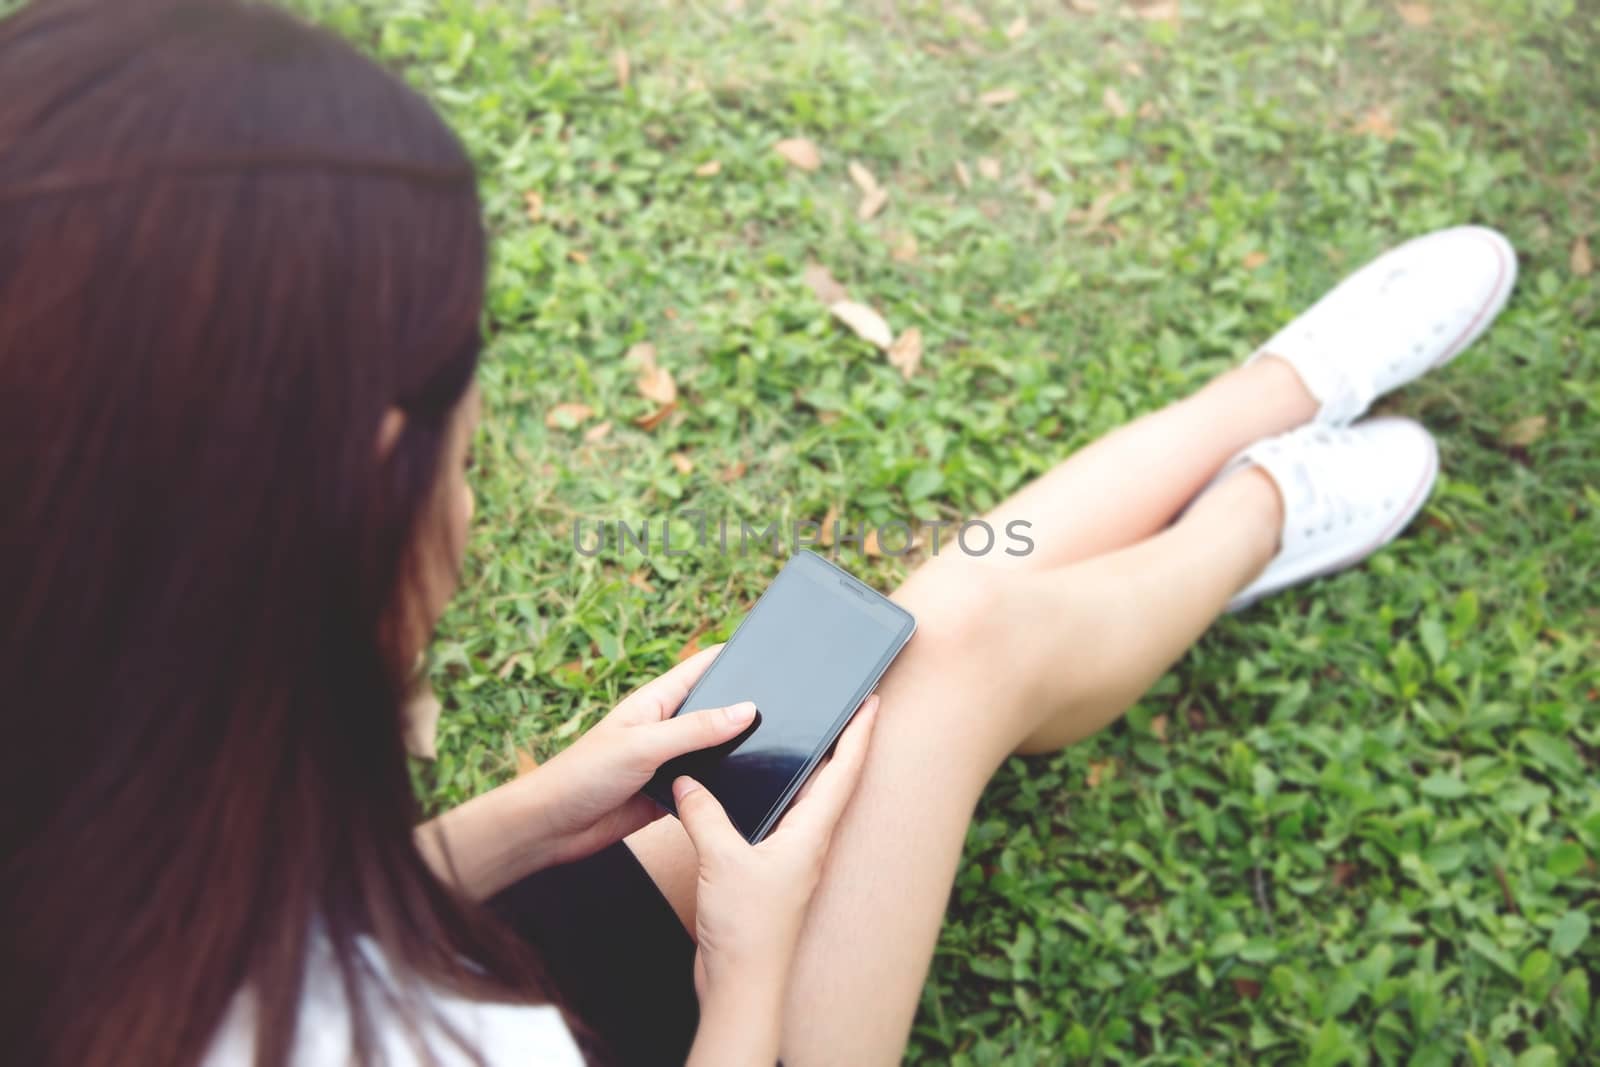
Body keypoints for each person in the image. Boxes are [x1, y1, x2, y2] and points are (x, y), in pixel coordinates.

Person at [0, 1, 1518, 1066]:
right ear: (355, 494)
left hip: (465, 961)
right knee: (957, 648)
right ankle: (1259, 495)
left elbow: (242, 942)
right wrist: (753, 970)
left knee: (894, 655)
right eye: (467, 447)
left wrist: (524, 816)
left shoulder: (91, 765)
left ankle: (1263, 417)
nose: (469, 498)